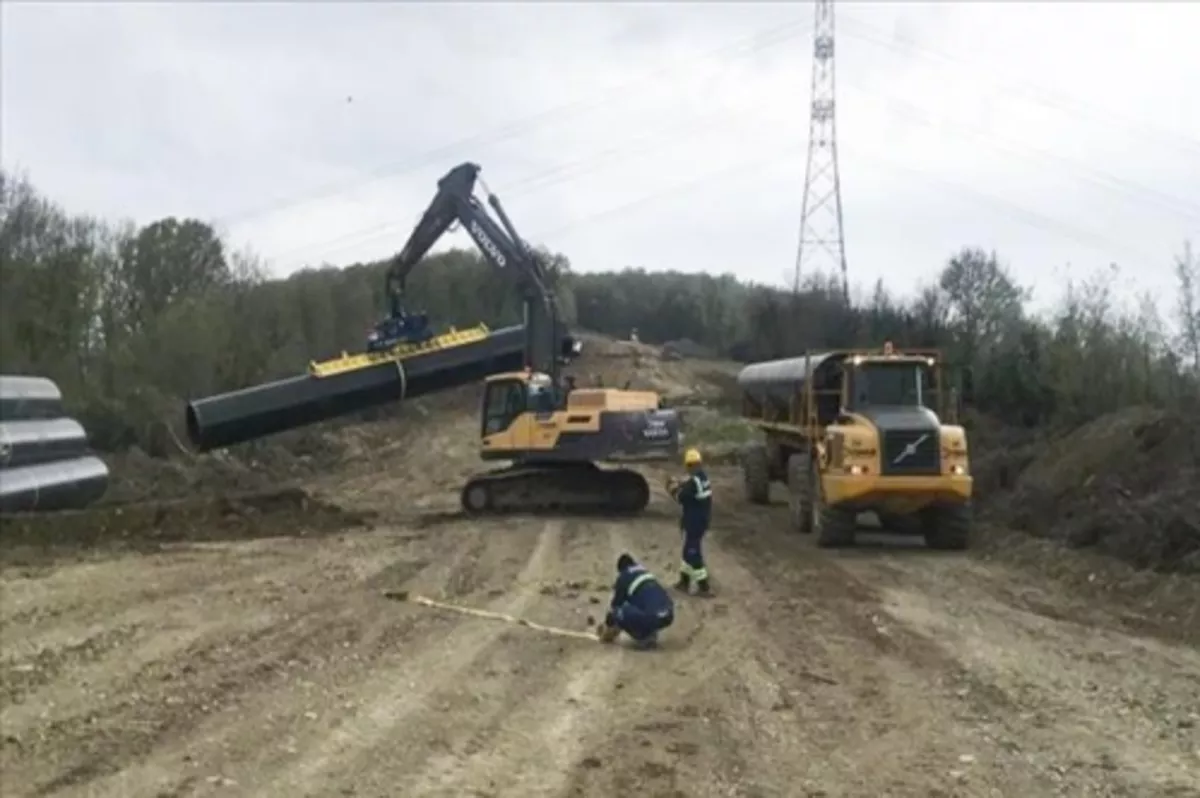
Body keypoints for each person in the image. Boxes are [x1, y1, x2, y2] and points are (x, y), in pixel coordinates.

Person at [598, 553, 674, 649]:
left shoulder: (624, 577)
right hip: (668, 615)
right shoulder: (645, 572)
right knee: (644, 604)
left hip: (651, 616)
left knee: (619, 611)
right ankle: (650, 630)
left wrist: (608, 626)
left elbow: (615, 607)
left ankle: (644, 637)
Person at [669, 447, 713, 596]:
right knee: (687, 551)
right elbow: (691, 483)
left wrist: (673, 489)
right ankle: (684, 581)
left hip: (694, 522)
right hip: (701, 520)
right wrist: (682, 483)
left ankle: (704, 586)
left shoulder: (693, 483)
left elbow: (680, 498)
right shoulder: (703, 478)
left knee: (693, 552)